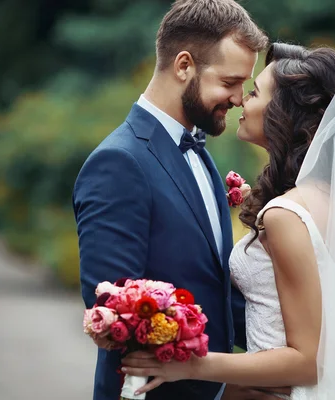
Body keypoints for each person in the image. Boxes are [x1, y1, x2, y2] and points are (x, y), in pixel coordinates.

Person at [121, 42, 335, 400]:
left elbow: (308, 361)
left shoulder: (287, 216)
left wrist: (188, 365)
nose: (242, 101)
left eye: (255, 92)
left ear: (282, 112)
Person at [72, 1, 289, 399]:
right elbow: (116, 309)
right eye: (230, 82)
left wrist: (295, 350)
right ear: (184, 65)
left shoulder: (200, 153)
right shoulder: (118, 162)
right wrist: (225, 387)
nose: (241, 98)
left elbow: (214, 293)